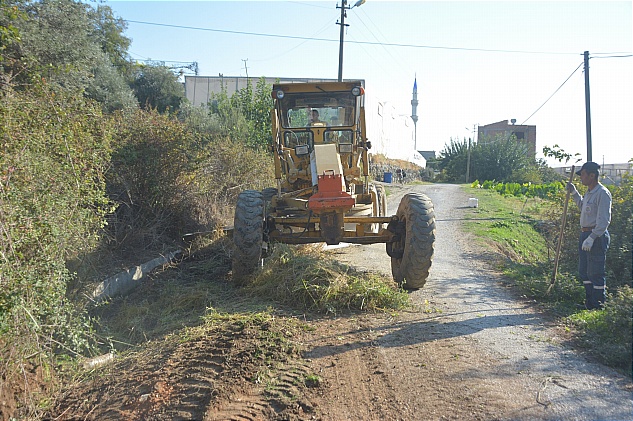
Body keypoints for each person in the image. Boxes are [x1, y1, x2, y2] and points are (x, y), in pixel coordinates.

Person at [567, 161, 612, 310]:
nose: (581, 178)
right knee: (584, 271)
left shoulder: (602, 193)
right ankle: (589, 304)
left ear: (592, 175)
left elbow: (604, 220)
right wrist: (574, 193)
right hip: (584, 233)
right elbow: (583, 207)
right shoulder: (589, 192)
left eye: (584, 175)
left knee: (595, 272)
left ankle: (598, 306)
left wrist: (592, 237)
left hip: (596, 237)